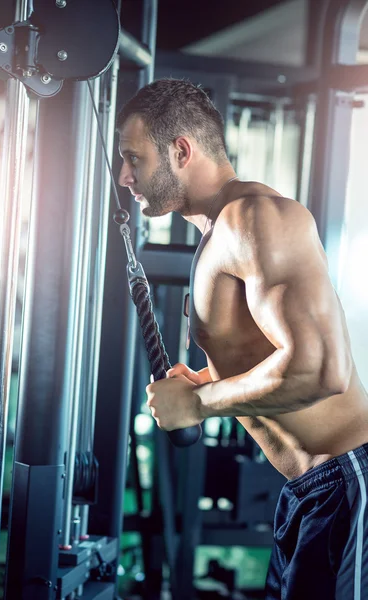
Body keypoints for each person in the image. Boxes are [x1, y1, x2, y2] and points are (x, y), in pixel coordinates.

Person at [117, 78, 368, 599]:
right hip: (310, 492)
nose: (124, 177)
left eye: (133, 158)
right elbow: (271, 359)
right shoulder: (216, 235)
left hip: (349, 481)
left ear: (181, 150)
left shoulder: (256, 218)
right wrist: (207, 380)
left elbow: (320, 370)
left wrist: (201, 403)